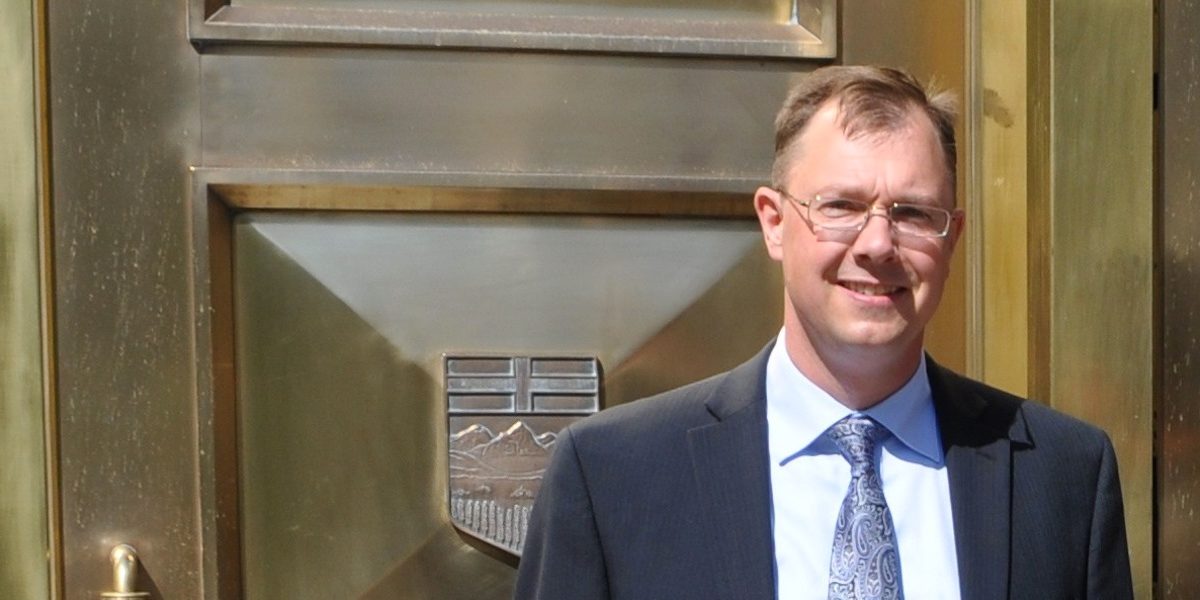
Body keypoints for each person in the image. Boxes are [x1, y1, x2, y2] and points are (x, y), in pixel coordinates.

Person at [513, 65, 1133, 600]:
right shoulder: (613, 475)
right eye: (841, 206)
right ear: (774, 222)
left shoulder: (1063, 474)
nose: (878, 244)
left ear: (953, 237)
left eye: (913, 213)